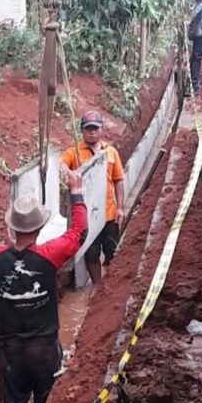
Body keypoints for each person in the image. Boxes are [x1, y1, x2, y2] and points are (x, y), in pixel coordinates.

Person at [0, 177, 88, 403]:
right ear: (40, 228)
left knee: (14, 401)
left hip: (12, 350)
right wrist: (76, 193)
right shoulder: (49, 254)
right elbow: (79, 234)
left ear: (12, 228)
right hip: (44, 348)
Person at [60, 110, 125, 283]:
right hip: (88, 217)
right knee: (91, 254)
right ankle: (98, 285)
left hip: (109, 213)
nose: (92, 132)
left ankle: (111, 285)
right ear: (82, 130)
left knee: (112, 250)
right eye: (88, 129)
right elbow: (60, 164)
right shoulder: (74, 152)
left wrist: (120, 207)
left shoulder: (110, 152)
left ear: (101, 129)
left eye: (95, 128)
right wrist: (69, 173)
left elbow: (118, 180)